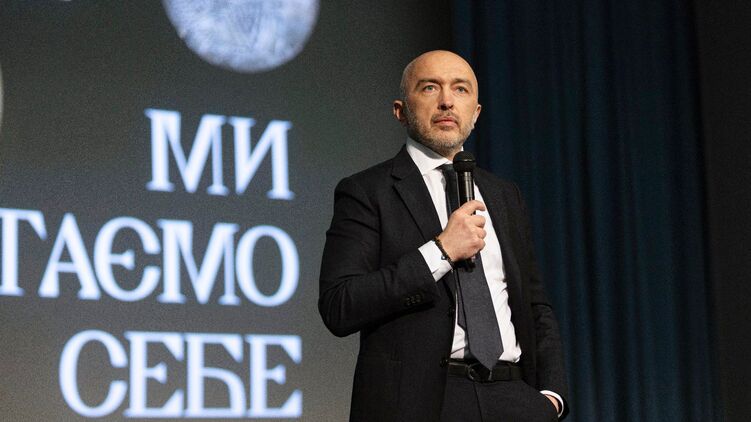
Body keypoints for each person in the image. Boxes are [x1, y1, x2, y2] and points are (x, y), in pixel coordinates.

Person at [319, 50, 569, 421]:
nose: (447, 101)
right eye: (430, 87)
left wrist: (551, 395)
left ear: (476, 112)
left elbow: (534, 303)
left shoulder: (504, 195)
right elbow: (340, 305)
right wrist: (440, 251)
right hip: (423, 403)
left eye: (460, 89)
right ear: (401, 111)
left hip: (514, 397)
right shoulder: (367, 192)